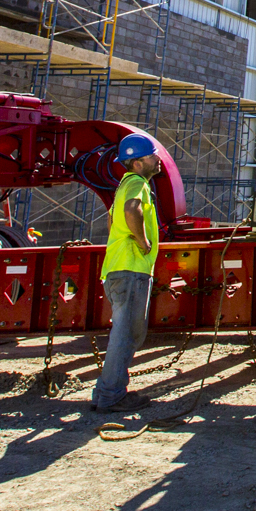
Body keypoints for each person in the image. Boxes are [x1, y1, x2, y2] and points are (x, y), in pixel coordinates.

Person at [91, 134, 163, 414]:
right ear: (138, 162)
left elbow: (111, 218)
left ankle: (104, 392)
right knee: (126, 335)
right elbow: (131, 209)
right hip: (131, 269)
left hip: (118, 268)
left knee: (126, 333)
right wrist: (143, 241)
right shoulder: (136, 184)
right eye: (152, 155)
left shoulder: (123, 185)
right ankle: (111, 395)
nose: (158, 159)